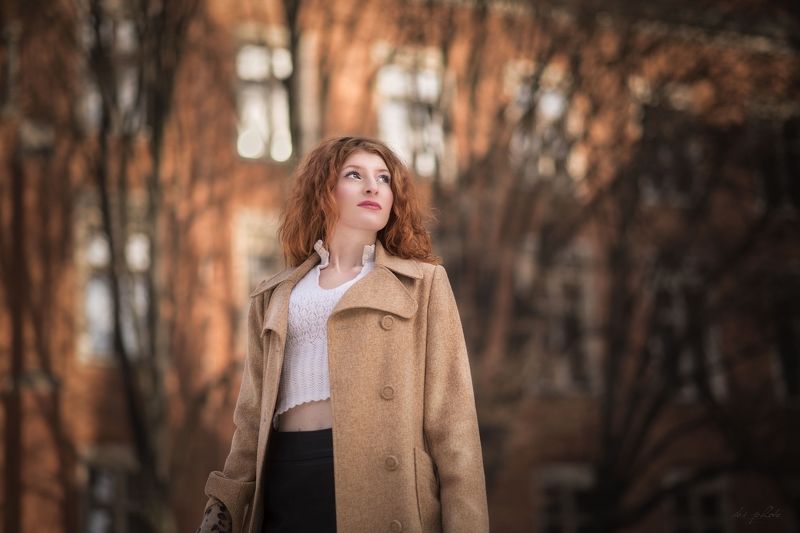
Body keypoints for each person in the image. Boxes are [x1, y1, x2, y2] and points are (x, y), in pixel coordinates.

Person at [197, 136, 489, 533]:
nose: (373, 187)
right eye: (355, 175)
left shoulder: (422, 284)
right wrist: (222, 509)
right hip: (286, 477)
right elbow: (250, 420)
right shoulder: (274, 295)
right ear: (324, 191)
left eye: (383, 178)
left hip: (384, 485)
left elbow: (454, 427)